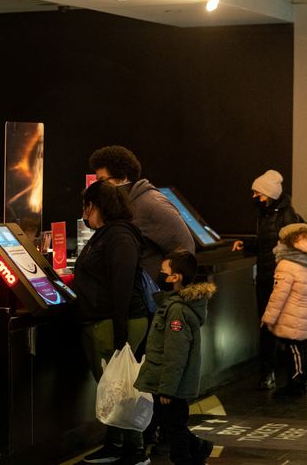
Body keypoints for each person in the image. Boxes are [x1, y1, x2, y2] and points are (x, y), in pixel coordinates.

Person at [74, 181, 150, 465]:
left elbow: (122, 284)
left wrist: (121, 334)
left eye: (86, 206)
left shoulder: (119, 236)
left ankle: (135, 449)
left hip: (118, 320)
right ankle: (115, 444)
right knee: (112, 387)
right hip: (107, 320)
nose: (84, 213)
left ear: (94, 205)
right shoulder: (107, 234)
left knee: (122, 387)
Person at [135, 251, 216, 465]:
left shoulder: (177, 311)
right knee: (171, 423)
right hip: (166, 382)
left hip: (171, 385)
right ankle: (199, 447)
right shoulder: (171, 305)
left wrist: (167, 389)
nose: (158, 274)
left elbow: (175, 354)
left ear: (175, 277)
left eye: (163, 271)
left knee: (174, 428)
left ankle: (186, 459)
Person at [232, 169, 304, 389]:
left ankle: (288, 374)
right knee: (268, 326)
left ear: (270, 193)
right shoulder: (267, 214)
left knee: (283, 327)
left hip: (279, 281)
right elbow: (269, 244)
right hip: (267, 279)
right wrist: (248, 244)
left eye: (258, 193)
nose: (255, 197)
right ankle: (277, 373)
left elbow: (292, 248)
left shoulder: (286, 216)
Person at [89, 145, 194, 280]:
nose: (100, 187)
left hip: (149, 296)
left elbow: (186, 251)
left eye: (103, 181)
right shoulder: (125, 203)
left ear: (123, 177)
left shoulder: (152, 205)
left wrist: (163, 292)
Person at [261, 222, 307, 397]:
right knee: (301, 348)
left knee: (293, 349)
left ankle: (296, 383)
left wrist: (268, 318)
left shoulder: (286, 265)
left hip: (290, 315)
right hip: (303, 312)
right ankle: (303, 380)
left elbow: (278, 296)